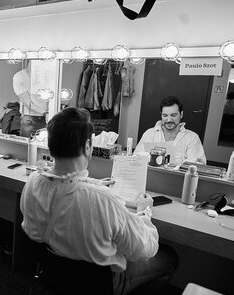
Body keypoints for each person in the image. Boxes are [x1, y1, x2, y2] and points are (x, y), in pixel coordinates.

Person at [20, 107, 178, 295]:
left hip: (53, 272)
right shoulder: (103, 201)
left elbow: (62, 186)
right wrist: (145, 213)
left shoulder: (32, 181)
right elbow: (144, 250)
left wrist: (90, 183)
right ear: (88, 147)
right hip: (98, 284)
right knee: (169, 257)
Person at [134, 96, 207, 164]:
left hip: (178, 177)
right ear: (161, 115)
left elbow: (197, 165)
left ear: (181, 114)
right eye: (165, 115)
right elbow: (136, 157)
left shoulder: (192, 138)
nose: (169, 120)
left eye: (173, 115)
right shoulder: (149, 134)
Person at [12, 60, 48, 138]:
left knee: (43, 147)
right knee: (27, 146)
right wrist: (45, 113)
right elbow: (27, 103)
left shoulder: (45, 76)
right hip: (30, 118)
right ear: (29, 60)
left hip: (46, 117)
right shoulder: (20, 76)